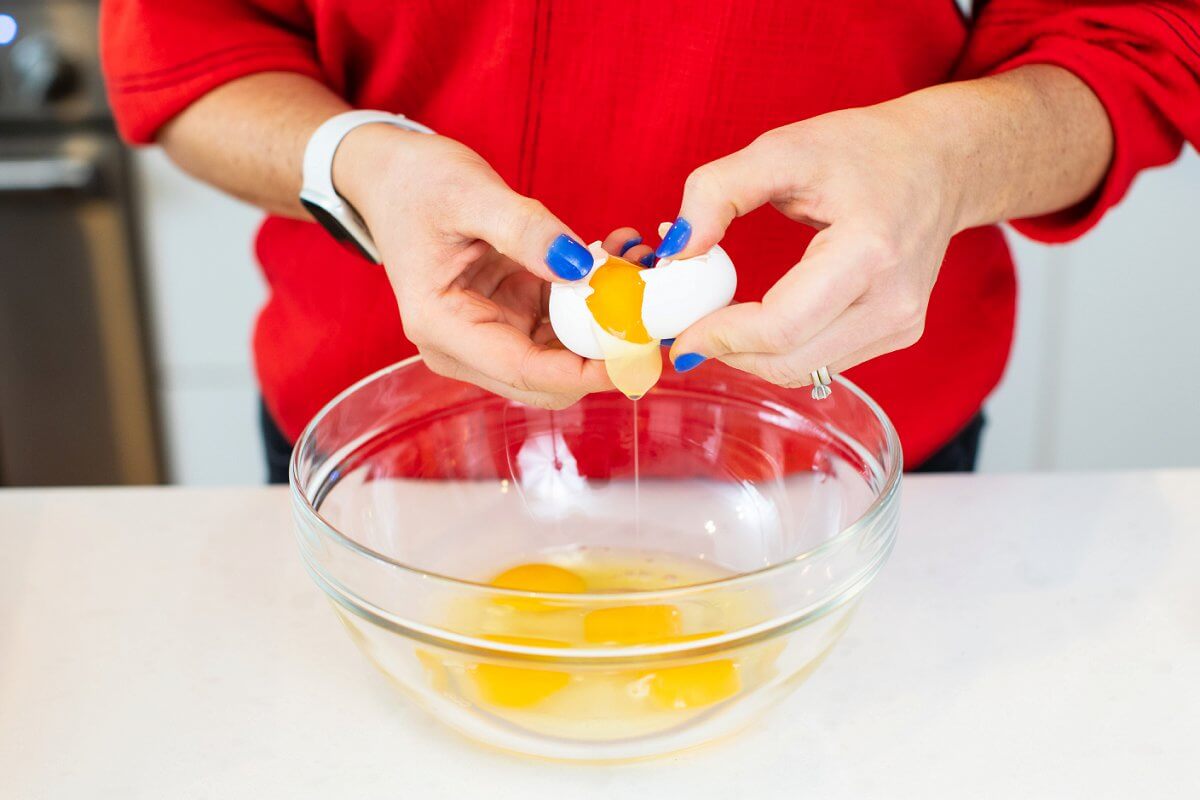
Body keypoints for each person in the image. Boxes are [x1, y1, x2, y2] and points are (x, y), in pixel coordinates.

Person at [101, 2, 1200, 482]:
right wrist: (360, 165)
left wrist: (950, 157)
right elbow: (182, 42)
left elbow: (1138, 34)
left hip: (846, 446)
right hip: (393, 444)